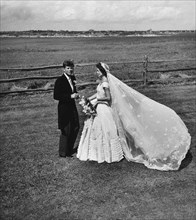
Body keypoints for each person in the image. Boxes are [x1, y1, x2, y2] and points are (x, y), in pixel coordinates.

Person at [77, 62, 191, 171]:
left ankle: (108, 152)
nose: (96, 72)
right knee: (99, 129)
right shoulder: (101, 82)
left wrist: (96, 100)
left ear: (102, 71)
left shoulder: (106, 82)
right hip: (100, 107)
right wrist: (89, 99)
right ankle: (99, 151)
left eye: (98, 71)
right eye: (96, 71)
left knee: (105, 130)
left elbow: (108, 98)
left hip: (104, 108)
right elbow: (98, 93)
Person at [54, 60, 80, 157]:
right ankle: (63, 152)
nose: (70, 70)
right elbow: (56, 96)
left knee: (76, 126)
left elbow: (73, 90)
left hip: (72, 106)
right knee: (66, 129)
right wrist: (70, 96)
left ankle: (69, 149)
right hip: (64, 108)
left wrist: (76, 95)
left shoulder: (73, 78)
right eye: (68, 68)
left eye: (71, 68)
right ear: (64, 69)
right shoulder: (60, 80)